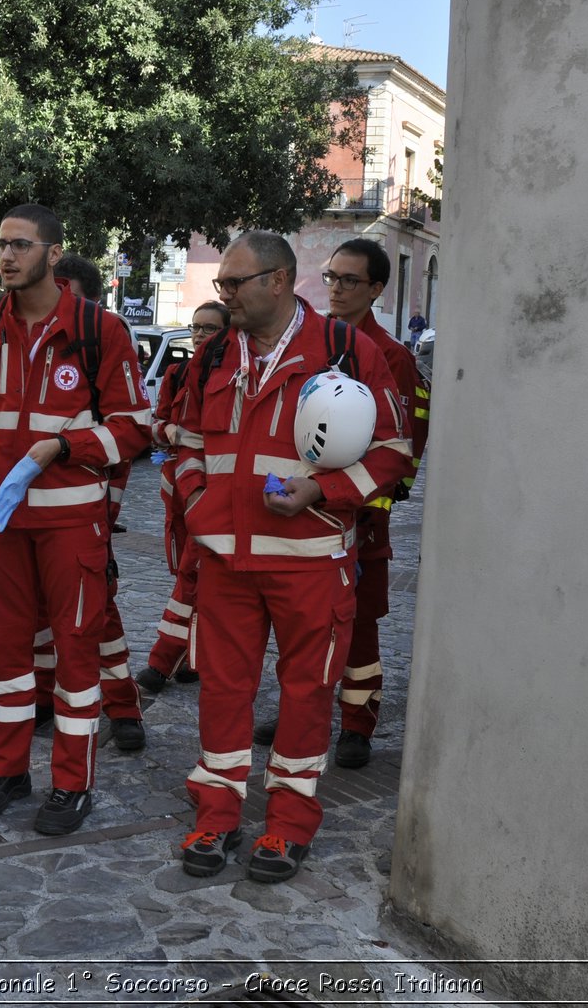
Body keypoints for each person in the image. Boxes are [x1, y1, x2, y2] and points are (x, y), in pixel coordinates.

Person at [173, 230, 412, 882]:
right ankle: (217, 813)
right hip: (226, 561)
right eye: (221, 283)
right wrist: (197, 505)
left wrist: (324, 491)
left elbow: (394, 451)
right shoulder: (214, 353)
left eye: (234, 283)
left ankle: (287, 825)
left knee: (307, 695)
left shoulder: (347, 350)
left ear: (277, 281)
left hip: (310, 561)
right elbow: (188, 440)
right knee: (223, 691)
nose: (223, 295)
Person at [0, 203, 148, 835]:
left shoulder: (99, 331)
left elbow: (134, 429)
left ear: (54, 254)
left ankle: (71, 784)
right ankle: (7, 771)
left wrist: (61, 447)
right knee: (6, 650)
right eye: (1, 244)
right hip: (0, 523)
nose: (6, 256)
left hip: (71, 524)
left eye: (21, 246)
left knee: (76, 651)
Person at [253, 239, 429, 767]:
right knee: (299, 621)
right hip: (295, 504)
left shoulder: (391, 356)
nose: (335, 288)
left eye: (349, 280)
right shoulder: (309, 342)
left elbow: (404, 440)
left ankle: (357, 722)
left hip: (359, 511)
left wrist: (370, 503)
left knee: (361, 623)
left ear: (377, 289)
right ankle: (299, 710)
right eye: (331, 276)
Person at [27, 254, 146, 752]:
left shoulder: (105, 336)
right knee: (38, 614)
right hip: (38, 504)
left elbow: (125, 436)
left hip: (88, 501)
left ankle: (122, 707)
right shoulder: (36, 332)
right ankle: (47, 696)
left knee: (99, 614)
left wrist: (105, 513)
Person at [136, 300, 230, 692]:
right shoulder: (177, 374)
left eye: (209, 329)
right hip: (176, 488)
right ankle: (195, 656)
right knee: (184, 572)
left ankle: (162, 661)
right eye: (196, 327)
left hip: (212, 492)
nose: (199, 335)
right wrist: (168, 433)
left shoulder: (231, 376)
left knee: (193, 576)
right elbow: (153, 425)